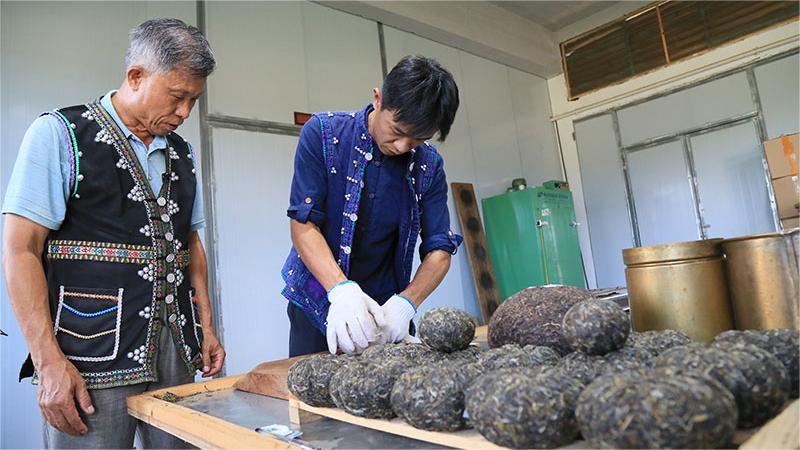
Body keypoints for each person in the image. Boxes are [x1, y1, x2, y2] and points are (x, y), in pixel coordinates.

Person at [2, 18, 225, 448]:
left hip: (176, 351)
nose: (184, 113)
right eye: (177, 97)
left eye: (193, 100)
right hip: (90, 354)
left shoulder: (183, 152)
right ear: (136, 77)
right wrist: (48, 362)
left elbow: (190, 244)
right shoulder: (60, 134)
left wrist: (206, 326)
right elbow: (19, 249)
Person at [282, 55, 463, 356]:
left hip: (388, 315)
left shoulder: (429, 165)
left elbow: (439, 250)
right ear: (378, 99)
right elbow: (304, 224)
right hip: (320, 301)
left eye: (418, 139)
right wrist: (340, 290)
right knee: (311, 394)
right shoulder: (323, 134)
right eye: (397, 131)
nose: (403, 146)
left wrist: (407, 303)